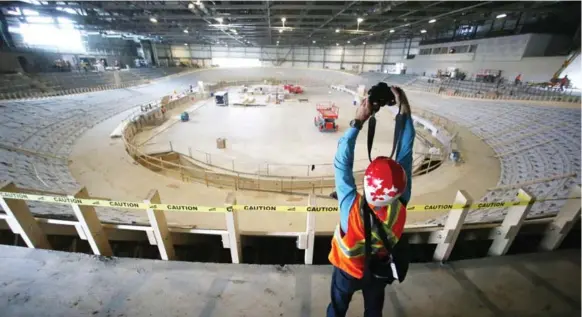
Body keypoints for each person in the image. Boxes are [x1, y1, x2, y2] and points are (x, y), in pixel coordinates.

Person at [327, 87, 415, 317]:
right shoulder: (401, 204)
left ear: (366, 183)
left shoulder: (350, 208)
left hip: (347, 270)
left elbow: (340, 164)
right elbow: (406, 150)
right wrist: (403, 107)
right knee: (374, 310)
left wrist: (359, 120)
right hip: (378, 270)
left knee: (337, 308)